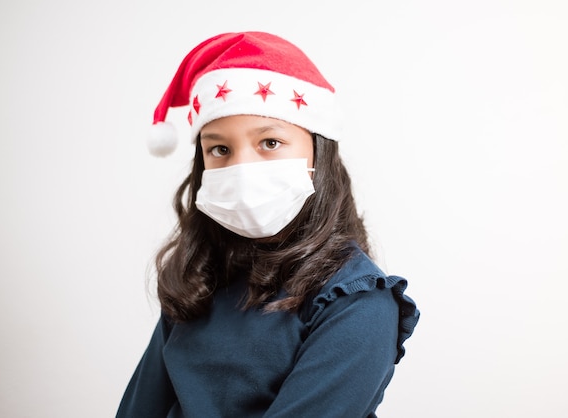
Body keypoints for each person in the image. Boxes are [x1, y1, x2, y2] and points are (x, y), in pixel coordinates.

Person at [117, 31, 420, 418]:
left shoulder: (357, 302)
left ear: (318, 151)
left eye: (270, 143)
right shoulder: (197, 280)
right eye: (220, 149)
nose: (242, 168)